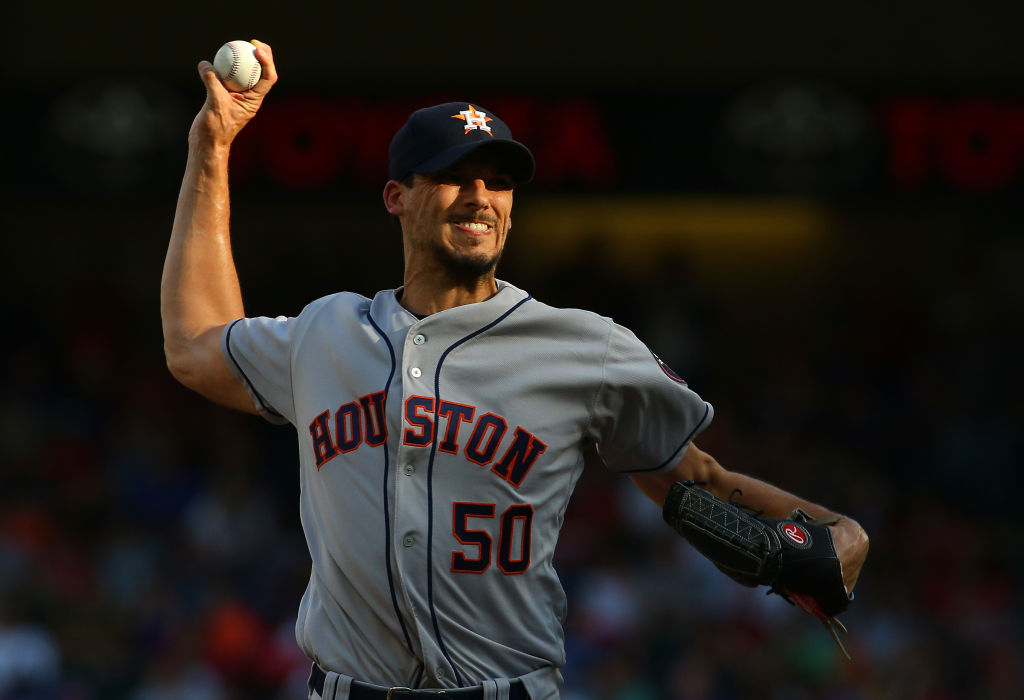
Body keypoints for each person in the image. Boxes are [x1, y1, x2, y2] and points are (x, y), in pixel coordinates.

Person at [161, 41, 869, 700]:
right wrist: (212, 147)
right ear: (396, 196)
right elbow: (197, 345)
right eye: (452, 176)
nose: (480, 197)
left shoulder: (583, 346)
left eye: (498, 182)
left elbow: (698, 485)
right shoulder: (325, 333)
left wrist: (837, 530)